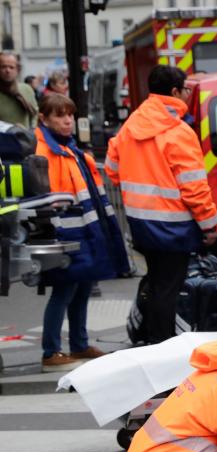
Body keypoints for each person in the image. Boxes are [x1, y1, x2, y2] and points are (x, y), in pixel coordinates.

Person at [105, 65, 217, 345]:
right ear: (174, 92)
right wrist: (209, 224)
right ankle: (161, 345)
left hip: (139, 222)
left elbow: (111, 168)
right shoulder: (179, 132)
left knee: (155, 283)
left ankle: (147, 337)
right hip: (174, 226)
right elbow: (194, 187)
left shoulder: (131, 125)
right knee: (168, 288)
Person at [35, 93, 129, 371]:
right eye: (59, 116)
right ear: (45, 119)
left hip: (83, 232)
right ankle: (50, 350)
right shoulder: (46, 152)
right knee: (65, 290)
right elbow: (48, 198)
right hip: (67, 233)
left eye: (69, 115)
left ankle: (78, 343)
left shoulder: (69, 149)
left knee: (82, 288)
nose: (67, 121)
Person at [0, 52, 38, 129]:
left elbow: (35, 114)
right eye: (3, 67)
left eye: (11, 67)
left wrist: (32, 130)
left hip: (24, 138)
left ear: (17, 70)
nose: (7, 70)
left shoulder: (26, 89)